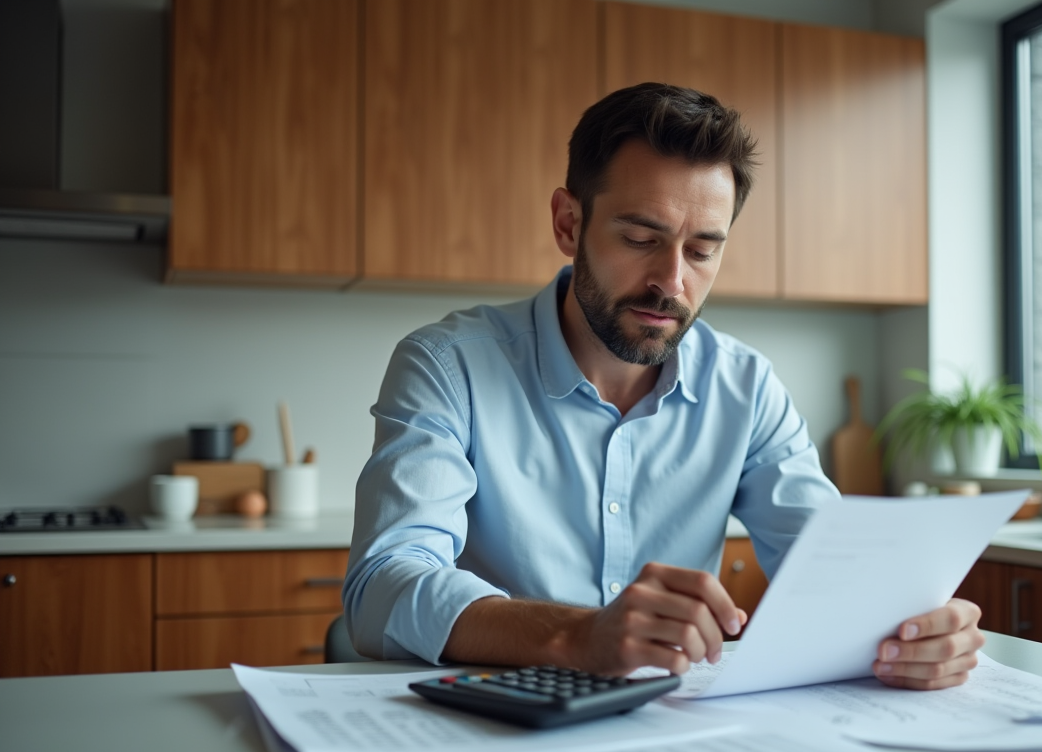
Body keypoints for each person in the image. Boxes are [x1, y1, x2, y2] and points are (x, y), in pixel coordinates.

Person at [343, 83, 985, 690]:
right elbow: (381, 587)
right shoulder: (448, 366)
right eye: (640, 238)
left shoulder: (746, 387)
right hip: (491, 723)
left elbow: (832, 565)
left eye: (702, 251)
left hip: (672, 727)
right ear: (568, 224)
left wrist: (914, 629)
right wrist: (577, 636)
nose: (671, 282)